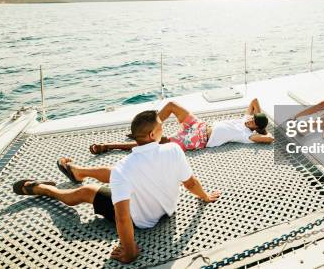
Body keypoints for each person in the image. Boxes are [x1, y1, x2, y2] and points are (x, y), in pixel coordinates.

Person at [12, 110, 220, 264]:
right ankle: (78, 172)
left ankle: (44, 189)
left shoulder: (124, 168)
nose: (163, 130)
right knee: (117, 174)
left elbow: (122, 217)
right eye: (160, 128)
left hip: (142, 220)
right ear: (151, 136)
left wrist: (130, 251)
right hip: (166, 209)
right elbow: (190, 183)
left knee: (86, 192)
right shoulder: (173, 150)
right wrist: (205, 197)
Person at [89, 98, 274, 154]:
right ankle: (147, 128)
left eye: (252, 122)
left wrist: (262, 129)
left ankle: (109, 146)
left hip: (198, 140)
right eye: (250, 118)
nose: (248, 120)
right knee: (172, 105)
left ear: (255, 128)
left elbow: (269, 138)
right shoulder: (246, 120)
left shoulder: (247, 136)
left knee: (157, 143)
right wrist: (259, 116)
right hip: (199, 125)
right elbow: (255, 101)